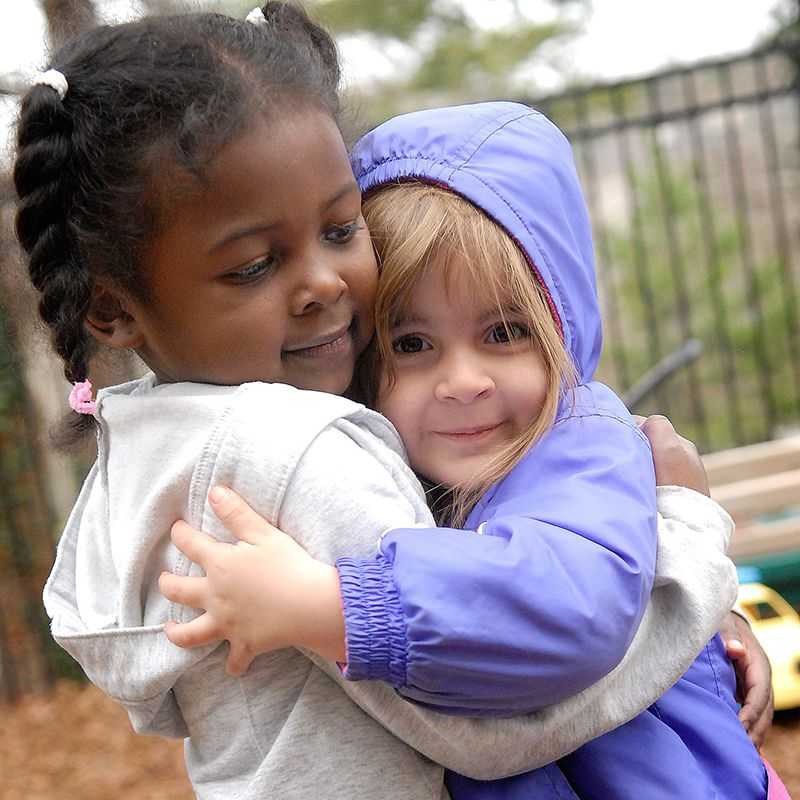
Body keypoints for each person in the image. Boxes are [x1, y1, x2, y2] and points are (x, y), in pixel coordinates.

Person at [13, 6, 761, 799]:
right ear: (113, 309)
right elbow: (500, 725)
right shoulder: (299, 448)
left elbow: (562, 603)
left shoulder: (146, 448)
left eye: (340, 230)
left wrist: (705, 634)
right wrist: (686, 545)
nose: (326, 283)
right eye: (253, 265)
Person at [160, 102, 789, 799]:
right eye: (412, 344)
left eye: (503, 332)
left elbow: (565, 603)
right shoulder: (396, 464)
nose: (462, 383)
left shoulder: (582, 444)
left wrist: (330, 606)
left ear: (562, 327)